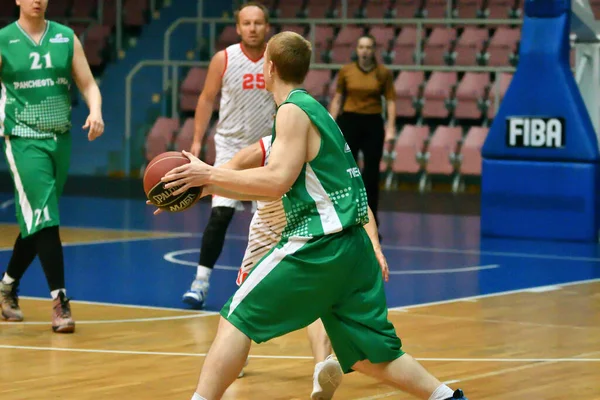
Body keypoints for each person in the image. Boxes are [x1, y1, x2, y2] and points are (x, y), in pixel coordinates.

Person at [162, 31, 467, 400]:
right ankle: (446, 397)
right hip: (354, 249)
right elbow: (272, 182)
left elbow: (275, 181)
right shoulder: (317, 111)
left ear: (268, 68)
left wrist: (209, 174)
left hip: (320, 246)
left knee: (235, 316)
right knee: (370, 353)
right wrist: (209, 188)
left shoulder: (292, 111)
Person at [151, 134, 389, 398]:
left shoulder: (324, 152)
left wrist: (375, 246)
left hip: (307, 231)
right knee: (244, 307)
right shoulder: (269, 146)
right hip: (270, 231)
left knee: (319, 299)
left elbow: (358, 203)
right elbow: (222, 173)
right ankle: (241, 357)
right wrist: (186, 188)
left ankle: (321, 367)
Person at [0, 0, 104, 333]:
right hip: (22, 137)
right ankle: (60, 302)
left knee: (39, 220)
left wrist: (96, 111)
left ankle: (6, 287)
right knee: (45, 216)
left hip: (60, 138)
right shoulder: (4, 39)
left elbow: (87, 83)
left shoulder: (65, 37)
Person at [182, 1, 276, 309]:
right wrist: (197, 140)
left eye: (258, 23)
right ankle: (201, 281)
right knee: (220, 213)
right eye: (246, 23)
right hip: (231, 146)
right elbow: (207, 99)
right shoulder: (224, 59)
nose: (252, 28)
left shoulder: (276, 60)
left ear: (267, 27)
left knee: (271, 219)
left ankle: (268, 286)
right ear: (237, 28)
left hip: (267, 148)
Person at [328, 34, 397, 225]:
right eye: (361, 47)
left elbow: (390, 101)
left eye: (368, 47)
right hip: (349, 120)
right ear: (356, 50)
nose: (364, 51)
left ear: (374, 50)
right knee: (346, 170)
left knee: (371, 173)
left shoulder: (383, 73)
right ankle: (344, 217)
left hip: (373, 123)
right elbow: (338, 98)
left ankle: (370, 219)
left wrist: (390, 127)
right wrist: (330, 124)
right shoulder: (346, 71)